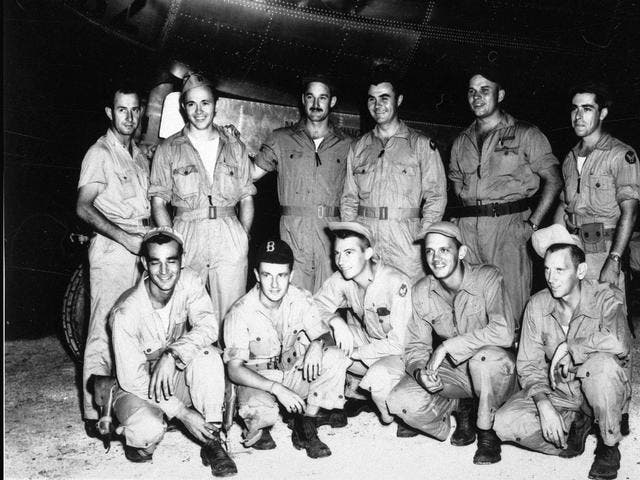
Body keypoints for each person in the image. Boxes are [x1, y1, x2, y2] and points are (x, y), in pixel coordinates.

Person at [494, 224, 632, 480]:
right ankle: (576, 426)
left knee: (601, 366)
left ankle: (608, 445)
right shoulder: (537, 305)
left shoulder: (605, 297)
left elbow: (620, 341)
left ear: (580, 271)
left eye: (560, 269)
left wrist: (570, 347)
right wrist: (544, 404)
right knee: (503, 423)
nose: (551, 278)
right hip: (562, 393)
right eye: (546, 269)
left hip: (600, 386)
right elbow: (528, 365)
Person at [386, 221, 517, 464]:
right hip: (456, 373)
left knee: (484, 359)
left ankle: (487, 432)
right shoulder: (422, 290)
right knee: (399, 400)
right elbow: (416, 347)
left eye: (444, 250)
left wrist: (448, 346)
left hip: (495, 370)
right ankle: (460, 405)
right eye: (430, 251)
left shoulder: (487, 277)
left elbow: (504, 332)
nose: (436, 258)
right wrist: (419, 373)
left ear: (462, 252)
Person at [110, 227, 237, 477]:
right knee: (146, 432)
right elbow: (131, 379)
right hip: (138, 386)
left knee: (207, 355)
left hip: (173, 377)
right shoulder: (126, 313)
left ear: (182, 260)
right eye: (155, 262)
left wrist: (173, 354)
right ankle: (145, 427)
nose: (165, 271)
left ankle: (211, 438)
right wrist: (181, 412)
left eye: (172, 261)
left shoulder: (189, 281)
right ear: (144, 263)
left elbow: (209, 326)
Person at [448, 69, 562, 323]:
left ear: (500, 94)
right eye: (471, 91)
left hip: (508, 229)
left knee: (511, 308)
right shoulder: (460, 142)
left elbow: (553, 180)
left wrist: (531, 225)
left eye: (484, 90)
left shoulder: (525, 134)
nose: (477, 97)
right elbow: (457, 183)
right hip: (469, 230)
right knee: (473, 305)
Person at [223, 239, 351, 458]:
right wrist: (276, 389)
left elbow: (322, 335)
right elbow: (234, 369)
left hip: (291, 371)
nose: (274, 284)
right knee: (263, 414)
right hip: (257, 378)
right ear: (256, 275)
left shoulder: (300, 297)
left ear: (290, 276)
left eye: (281, 275)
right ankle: (256, 418)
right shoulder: (240, 311)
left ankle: (305, 423)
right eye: (267, 275)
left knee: (335, 357)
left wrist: (317, 345)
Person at [149, 73, 255, 323]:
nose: (199, 111)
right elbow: (158, 201)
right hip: (187, 234)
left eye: (205, 103)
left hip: (229, 234)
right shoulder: (168, 149)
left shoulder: (235, 146)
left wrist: (243, 236)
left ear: (215, 105)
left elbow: (247, 197)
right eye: (192, 104)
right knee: (185, 315)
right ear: (184, 108)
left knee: (231, 318)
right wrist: (172, 240)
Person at [76, 84, 151, 433]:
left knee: (129, 328)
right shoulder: (100, 153)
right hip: (112, 248)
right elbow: (83, 207)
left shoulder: (137, 154)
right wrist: (123, 237)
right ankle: (94, 414)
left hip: (138, 247)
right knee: (103, 329)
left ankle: (123, 404)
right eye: (122, 110)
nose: (129, 117)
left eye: (135, 110)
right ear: (110, 112)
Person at [340, 67, 446, 283]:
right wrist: (353, 243)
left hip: (406, 246)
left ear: (399, 100)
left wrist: (422, 240)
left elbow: (436, 197)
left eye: (385, 98)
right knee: (366, 304)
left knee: (407, 306)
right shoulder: (358, 148)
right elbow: (349, 200)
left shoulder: (421, 145)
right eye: (372, 99)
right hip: (367, 244)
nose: (378, 106)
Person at [252, 75, 353, 292]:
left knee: (329, 299)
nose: (316, 105)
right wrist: (231, 144)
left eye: (322, 98)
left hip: (330, 230)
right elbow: (251, 174)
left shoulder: (347, 144)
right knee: (295, 299)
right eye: (311, 97)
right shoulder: (280, 139)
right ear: (303, 100)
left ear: (332, 102)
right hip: (293, 230)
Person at [314, 221, 413, 431]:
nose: (341, 261)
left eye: (349, 252)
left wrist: (356, 352)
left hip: (402, 356)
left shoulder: (395, 283)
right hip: (372, 345)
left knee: (379, 380)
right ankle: (332, 406)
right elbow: (313, 307)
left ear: (368, 253)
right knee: (316, 337)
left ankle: (399, 408)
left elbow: (399, 345)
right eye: (337, 253)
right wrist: (335, 321)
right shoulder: (343, 278)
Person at [554, 82, 639, 293]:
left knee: (608, 317)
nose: (578, 115)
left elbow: (631, 211)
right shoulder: (569, 158)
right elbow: (564, 204)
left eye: (587, 109)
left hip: (604, 250)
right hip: (573, 248)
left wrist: (614, 258)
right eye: (575, 108)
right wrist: (555, 246)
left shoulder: (620, 155)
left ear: (603, 113)